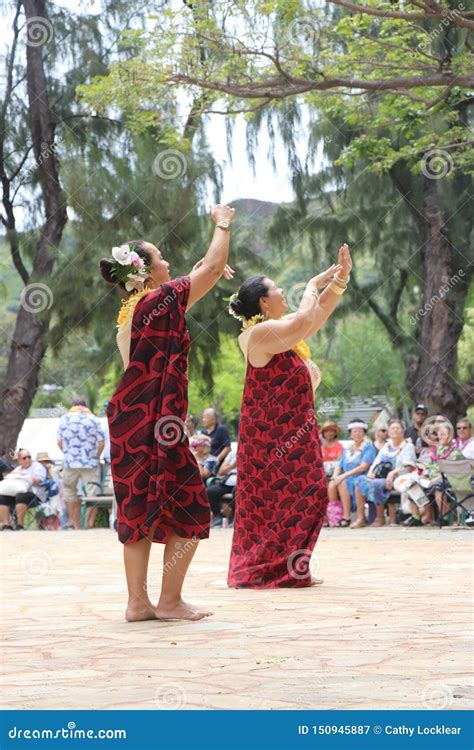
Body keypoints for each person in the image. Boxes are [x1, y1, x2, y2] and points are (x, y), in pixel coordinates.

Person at [100, 203, 236, 621]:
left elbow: (194, 282)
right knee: (193, 506)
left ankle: (138, 602)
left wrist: (199, 274)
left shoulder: (133, 311)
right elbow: (211, 270)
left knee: (138, 507)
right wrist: (223, 224)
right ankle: (171, 601)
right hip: (159, 423)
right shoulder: (159, 300)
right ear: (144, 270)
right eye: (160, 258)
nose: (168, 261)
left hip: (129, 420)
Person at [227, 243, 352, 588]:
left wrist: (340, 280)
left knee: (307, 496)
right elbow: (302, 319)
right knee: (294, 499)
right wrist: (311, 285)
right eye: (277, 288)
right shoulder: (258, 334)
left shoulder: (280, 332)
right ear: (264, 301)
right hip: (269, 440)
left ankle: (290, 567)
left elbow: (312, 318)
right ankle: (270, 568)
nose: (283, 291)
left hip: (293, 433)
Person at [352, 420, 416, 528]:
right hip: (381, 476)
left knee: (376, 483)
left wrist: (392, 473)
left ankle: (380, 517)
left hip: (398, 478)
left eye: (398, 428)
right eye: (392, 428)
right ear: (389, 432)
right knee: (360, 480)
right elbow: (376, 462)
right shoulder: (386, 446)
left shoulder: (408, 446)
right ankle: (361, 518)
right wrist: (371, 472)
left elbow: (408, 465)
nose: (395, 430)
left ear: (403, 431)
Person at [57, 396, 105, 530]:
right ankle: (88, 524)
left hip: (70, 463)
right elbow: (101, 442)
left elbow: (59, 441)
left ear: (73, 405)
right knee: (92, 492)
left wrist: (68, 454)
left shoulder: (64, 419)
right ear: (85, 405)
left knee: (69, 492)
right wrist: (95, 457)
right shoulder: (93, 419)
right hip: (90, 462)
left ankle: (73, 523)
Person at [328, 420, 377, 528]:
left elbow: (363, 467)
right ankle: (334, 518)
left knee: (342, 482)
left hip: (362, 477)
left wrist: (343, 476)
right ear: (350, 434)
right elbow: (339, 466)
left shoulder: (368, 447)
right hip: (347, 478)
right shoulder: (347, 449)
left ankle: (347, 517)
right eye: (354, 432)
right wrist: (334, 477)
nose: (357, 434)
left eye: (360, 431)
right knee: (332, 485)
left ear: (364, 433)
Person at [0, 449, 47, 530]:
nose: (27, 459)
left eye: (29, 457)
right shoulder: (18, 469)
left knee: (21, 496)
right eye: (24, 458)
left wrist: (25, 476)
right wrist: (17, 475)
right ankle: (6, 524)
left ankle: (20, 525)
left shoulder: (37, 466)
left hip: (35, 494)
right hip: (16, 493)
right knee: (2, 497)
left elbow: (39, 481)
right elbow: (9, 478)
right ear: (19, 461)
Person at [207, 447, 237, 528]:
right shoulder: (233, 453)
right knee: (210, 491)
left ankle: (235, 516)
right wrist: (232, 465)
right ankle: (217, 516)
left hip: (241, 482)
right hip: (228, 481)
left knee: (237, 491)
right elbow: (221, 472)